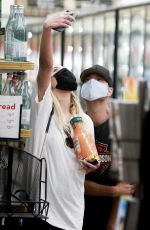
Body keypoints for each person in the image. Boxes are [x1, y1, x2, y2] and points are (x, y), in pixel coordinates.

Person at [24, 12, 100, 230]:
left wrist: (93, 165)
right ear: (52, 82)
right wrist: (47, 28)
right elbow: (46, 65)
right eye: (57, 69)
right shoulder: (44, 108)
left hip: (74, 213)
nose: (61, 69)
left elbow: (92, 160)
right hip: (47, 213)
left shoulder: (84, 121)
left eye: (63, 68)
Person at [80, 65, 135, 230]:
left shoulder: (123, 129)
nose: (92, 84)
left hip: (109, 214)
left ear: (109, 91)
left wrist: (113, 223)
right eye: (88, 80)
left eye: (98, 80)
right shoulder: (75, 127)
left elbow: (125, 186)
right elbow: (75, 183)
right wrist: (112, 191)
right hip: (77, 213)